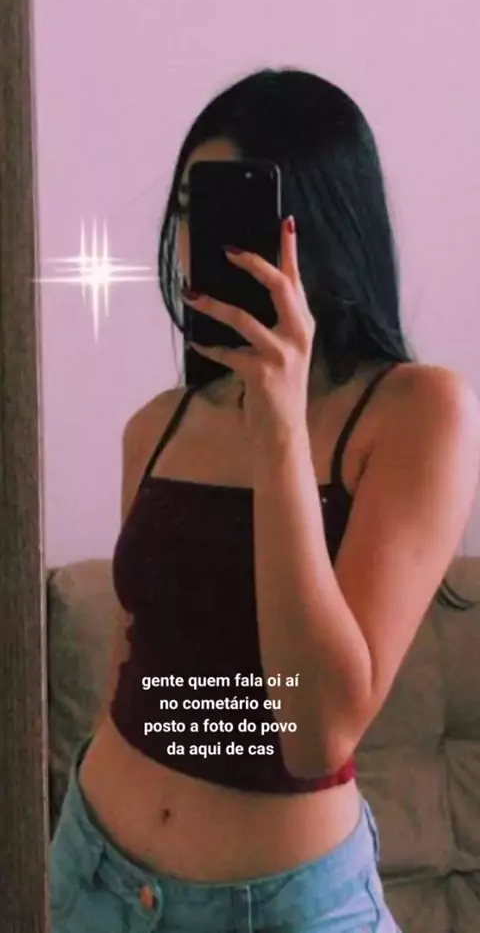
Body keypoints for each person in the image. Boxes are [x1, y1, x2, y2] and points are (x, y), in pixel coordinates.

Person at [50, 68, 480, 932]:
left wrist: (278, 427)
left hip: (283, 910)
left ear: (316, 225)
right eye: (187, 209)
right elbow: (141, 663)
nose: (194, 243)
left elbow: (314, 732)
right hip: (96, 873)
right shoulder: (157, 425)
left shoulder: (416, 411)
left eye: (232, 216)